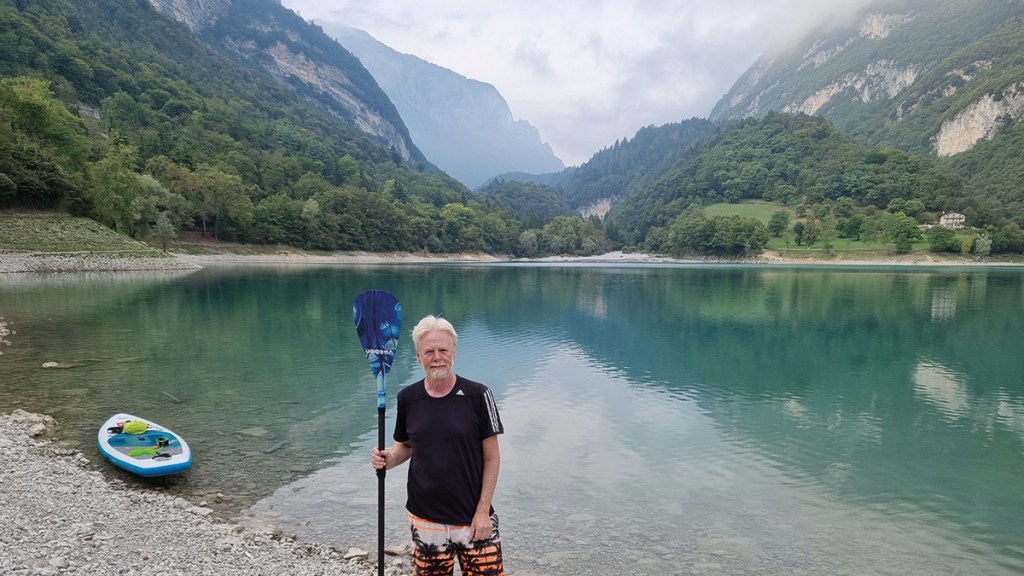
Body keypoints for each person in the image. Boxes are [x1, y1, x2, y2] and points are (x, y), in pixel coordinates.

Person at [371, 315, 506, 576]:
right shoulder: (408, 398)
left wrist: (482, 512)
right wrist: (388, 458)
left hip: (473, 519)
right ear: (418, 356)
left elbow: (492, 458)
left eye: (443, 350)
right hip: (425, 520)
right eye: (429, 351)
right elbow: (406, 446)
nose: (437, 357)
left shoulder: (478, 395)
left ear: (454, 352)